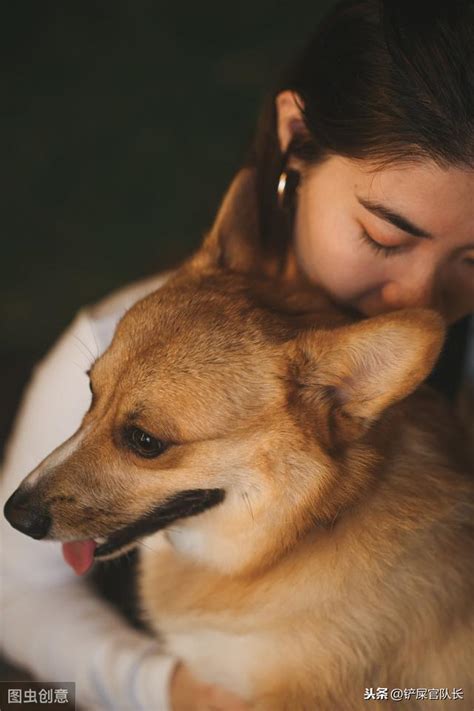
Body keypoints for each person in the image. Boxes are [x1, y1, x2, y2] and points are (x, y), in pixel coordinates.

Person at [1, 0, 473, 709]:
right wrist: (167, 689)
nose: (421, 297)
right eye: (384, 235)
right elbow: (12, 588)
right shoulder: (123, 335)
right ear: (296, 139)